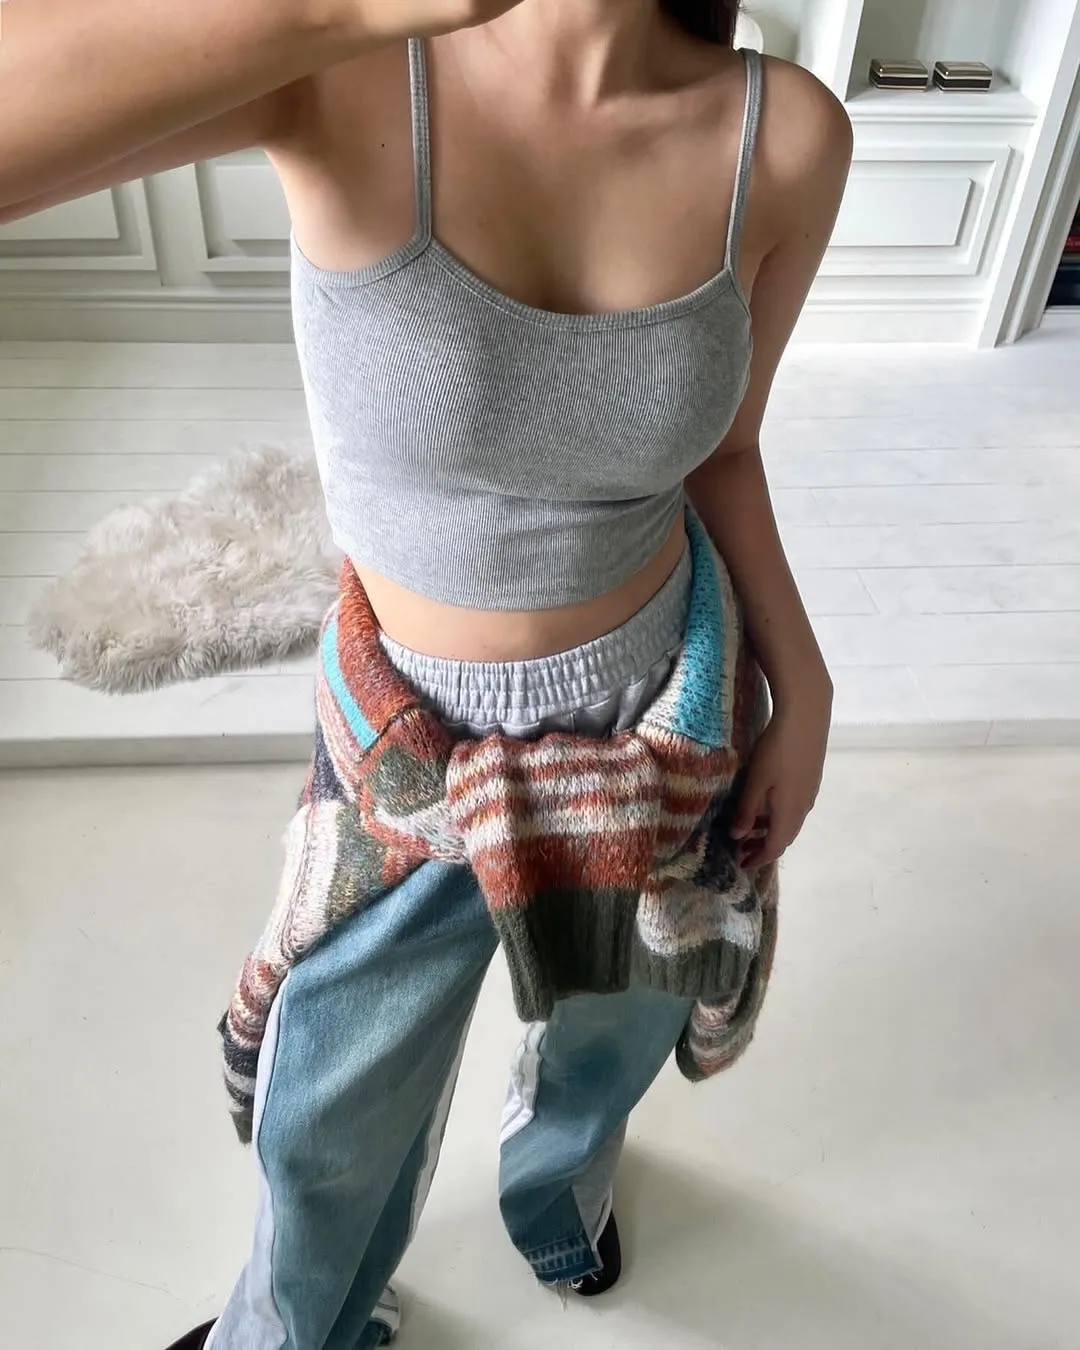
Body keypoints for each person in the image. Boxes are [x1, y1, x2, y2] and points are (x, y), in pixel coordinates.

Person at [2, 1, 852, 1345]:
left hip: (663, 720)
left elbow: (726, 451)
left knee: (616, 1029)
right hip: (410, 749)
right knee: (328, 1111)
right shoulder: (343, 58)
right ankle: (296, 1331)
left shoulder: (785, 134)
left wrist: (803, 688)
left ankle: (559, 1198)